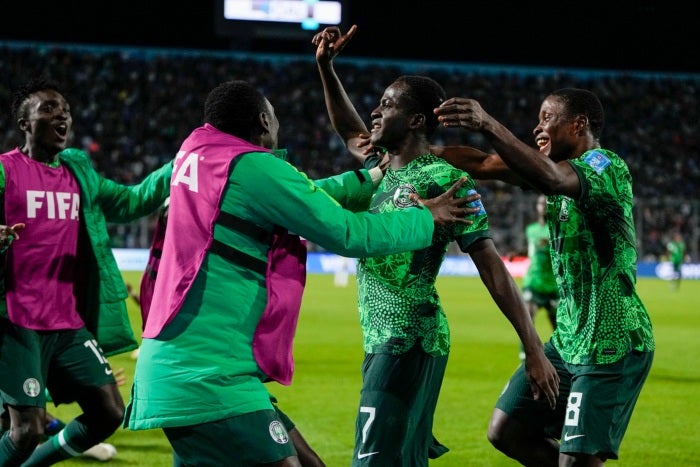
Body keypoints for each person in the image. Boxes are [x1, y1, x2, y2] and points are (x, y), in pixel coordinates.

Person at [123, 78, 475, 467]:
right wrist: (424, 218)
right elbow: (348, 232)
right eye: (274, 116)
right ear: (262, 120)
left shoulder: (200, 153)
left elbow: (300, 195)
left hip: (193, 363)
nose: (279, 123)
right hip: (205, 373)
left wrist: (373, 177)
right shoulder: (252, 166)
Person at [312, 26, 558, 466]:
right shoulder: (382, 170)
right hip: (381, 338)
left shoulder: (444, 177)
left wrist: (534, 348)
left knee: (372, 460)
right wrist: (326, 68)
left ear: (416, 121)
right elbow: (350, 130)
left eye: (387, 105)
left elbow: (490, 264)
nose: (374, 112)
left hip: (410, 338)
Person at [434, 88, 656, 465]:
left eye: (547, 117)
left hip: (611, 342)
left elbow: (552, 178)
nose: (538, 126)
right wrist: (417, 154)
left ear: (579, 123)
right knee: (506, 430)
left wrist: (488, 122)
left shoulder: (606, 166)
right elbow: (486, 164)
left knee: (576, 459)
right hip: (568, 338)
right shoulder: (547, 170)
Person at [0, 76, 171, 466]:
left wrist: (181, 163)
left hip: (67, 323)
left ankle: (34, 463)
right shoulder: (5, 171)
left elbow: (131, 202)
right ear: (24, 123)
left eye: (66, 111)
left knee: (109, 412)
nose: (62, 116)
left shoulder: (79, 173)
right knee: (25, 429)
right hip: (16, 320)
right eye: (48, 109)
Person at [131, 201, 328, 467]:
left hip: (232, 380)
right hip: (204, 383)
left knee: (311, 463)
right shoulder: (178, 269)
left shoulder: (216, 255)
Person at [517, 194, 558, 360]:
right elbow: (531, 249)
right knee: (527, 316)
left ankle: (563, 355)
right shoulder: (531, 229)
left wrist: (551, 244)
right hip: (533, 281)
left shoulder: (558, 229)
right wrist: (517, 253)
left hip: (553, 285)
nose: (543, 206)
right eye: (541, 203)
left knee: (558, 325)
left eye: (547, 203)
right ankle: (525, 355)